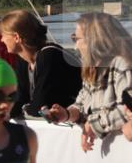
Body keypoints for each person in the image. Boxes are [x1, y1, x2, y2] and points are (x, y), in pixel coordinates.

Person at [46, 12, 132, 151]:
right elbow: (81, 105)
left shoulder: (122, 65)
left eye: (77, 39)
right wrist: (66, 114)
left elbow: (127, 110)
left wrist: (94, 124)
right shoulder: (92, 70)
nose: (75, 46)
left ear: (95, 40)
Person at [0, 10, 81, 119]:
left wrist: (22, 108)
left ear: (17, 37)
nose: (1, 39)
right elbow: (19, 99)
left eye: (3, 35)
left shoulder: (50, 56)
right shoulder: (23, 60)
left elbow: (40, 106)